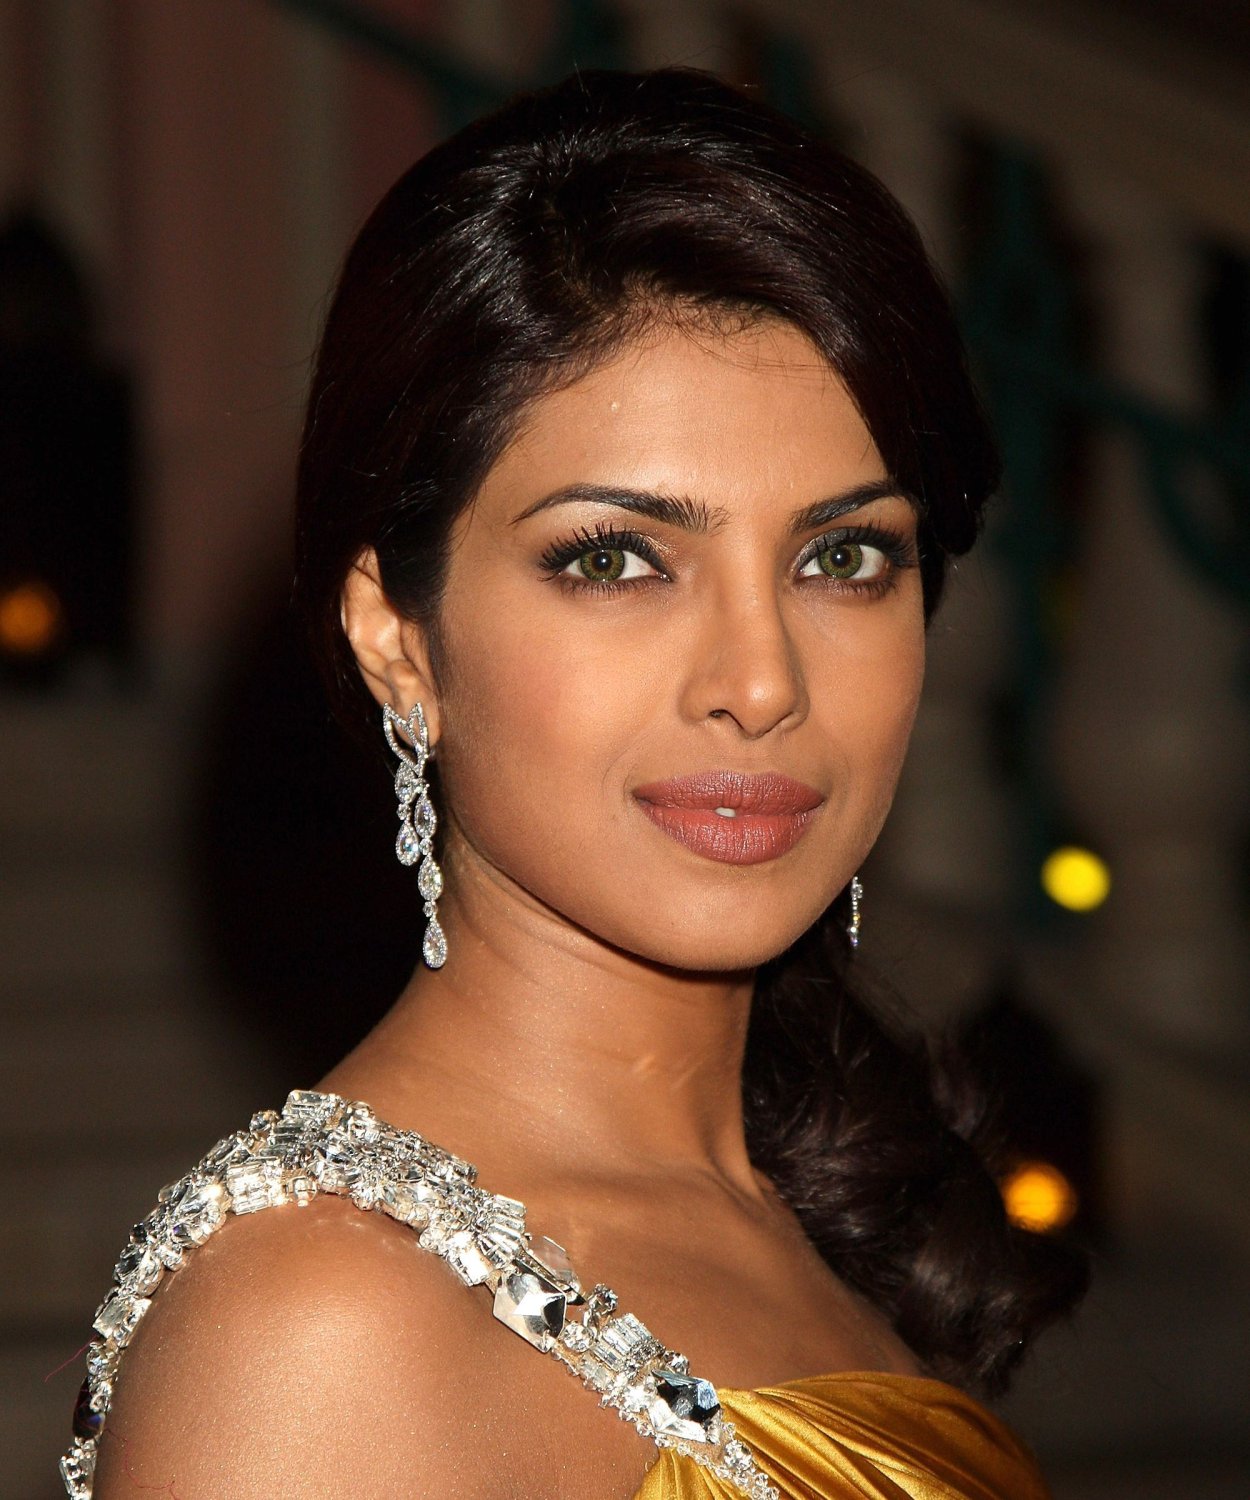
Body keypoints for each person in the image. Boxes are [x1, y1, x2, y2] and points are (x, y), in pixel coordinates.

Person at [66, 67, 1086, 1500]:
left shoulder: (813, 1221)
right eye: (615, 559)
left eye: (843, 557)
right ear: (397, 638)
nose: (762, 681)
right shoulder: (320, 1325)